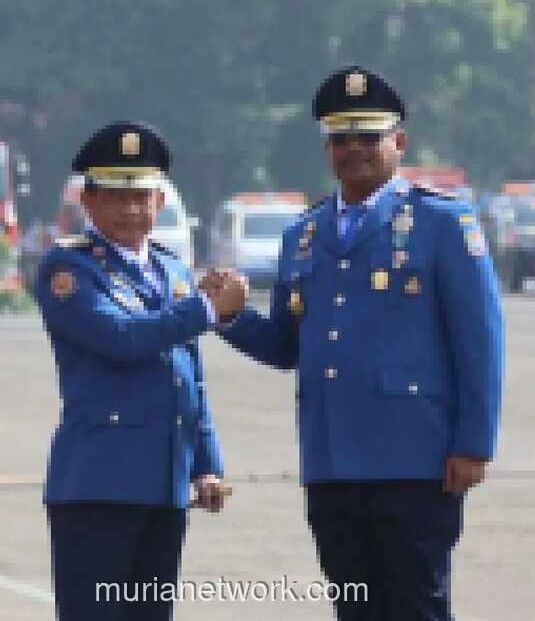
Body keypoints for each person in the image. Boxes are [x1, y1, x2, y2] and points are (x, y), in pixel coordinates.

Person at [213, 66, 504, 620]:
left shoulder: (442, 222)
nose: (354, 150)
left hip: (415, 460)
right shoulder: (305, 234)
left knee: (417, 606)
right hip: (332, 462)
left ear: (399, 142)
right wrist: (231, 318)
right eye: (340, 139)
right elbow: (286, 344)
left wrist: (474, 443)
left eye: (368, 137)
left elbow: (480, 340)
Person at [34, 121, 240, 621]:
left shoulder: (171, 268)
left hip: (163, 484)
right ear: (88, 200)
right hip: (98, 485)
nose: (130, 209)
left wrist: (206, 462)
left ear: (160, 200)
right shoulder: (69, 269)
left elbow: (189, 374)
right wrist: (207, 310)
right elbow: (122, 338)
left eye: (141, 195)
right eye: (115, 196)